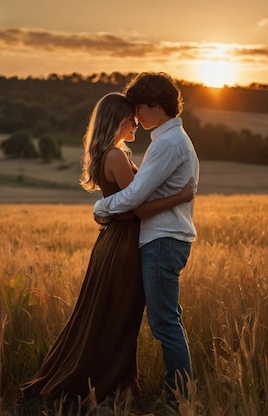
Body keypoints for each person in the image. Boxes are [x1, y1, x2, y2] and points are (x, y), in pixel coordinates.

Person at [18, 92, 195, 408]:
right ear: (117, 120)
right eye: (131, 118)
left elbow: (131, 202)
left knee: (113, 315)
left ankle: (114, 385)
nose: (136, 124)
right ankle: (97, 384)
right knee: (114, 317)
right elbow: (134, 209)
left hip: (117, 241)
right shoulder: (114, 156)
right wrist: (179, 197)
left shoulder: (113, 154)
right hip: (122, 244)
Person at [93, 72, 200, 410]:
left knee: (165, 322)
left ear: (155, 103)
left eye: (139, 107)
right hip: (164, 239)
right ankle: (179, 395)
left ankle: (179, 399)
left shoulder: (168, 143)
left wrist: (100, 207)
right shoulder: (168, 140)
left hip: (163, 241)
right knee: (168, 319)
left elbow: (135, 197)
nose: (136, 116)